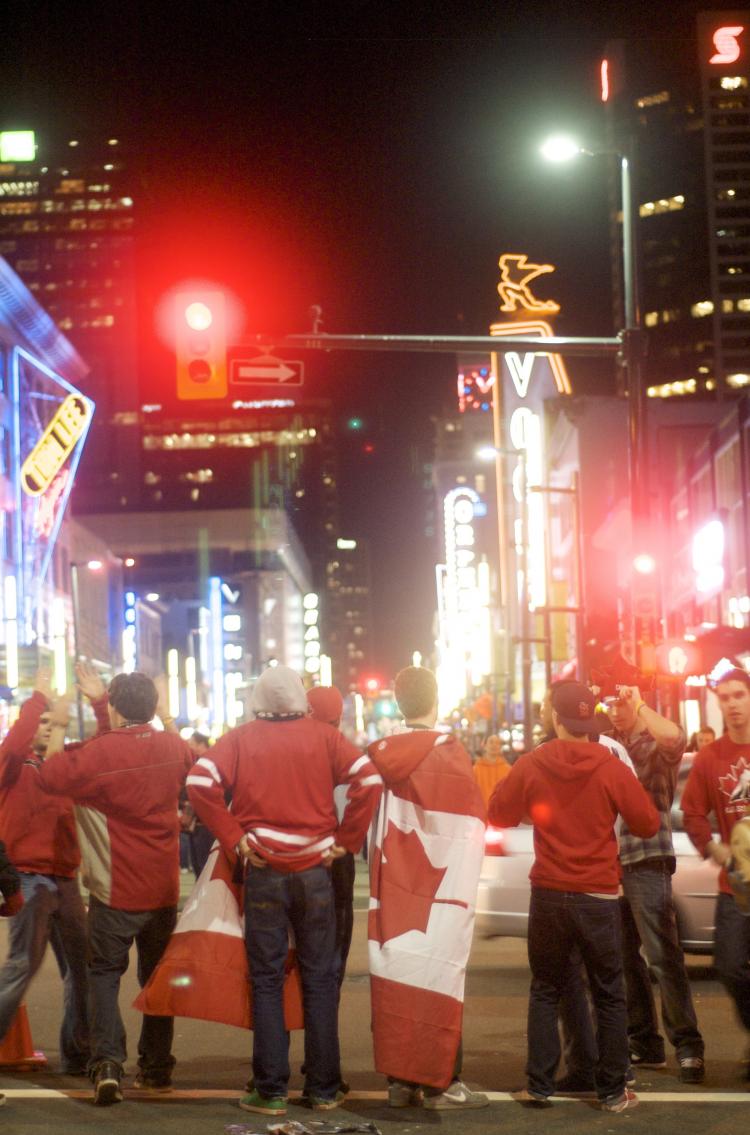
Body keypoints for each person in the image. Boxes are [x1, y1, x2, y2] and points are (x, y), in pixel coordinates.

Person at [187, 664, 382, 1117]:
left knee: (268, 979)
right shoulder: (324, 736)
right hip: (316, 869)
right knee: (319, 978)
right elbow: (368, 779)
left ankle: (271, 1089)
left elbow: (199, 782)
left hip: (264, 871)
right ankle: (325, 1087)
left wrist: (235, 837)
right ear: (300, 700)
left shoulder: (240, 739)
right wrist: (346, 842)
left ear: (258, 700)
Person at [16, 671, 193, 1106]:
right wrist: (165, 715)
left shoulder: (102, 752)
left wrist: (58, 724)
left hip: (117, 888)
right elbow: (194, 760)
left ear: (115, 707)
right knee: (155, 979)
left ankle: (107, 1064)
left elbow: (52, 775)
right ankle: (156, 1067)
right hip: (164, 887)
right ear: (152, 705)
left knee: (103, 976)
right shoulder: (172, 747)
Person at [489, 680, 659, 1112]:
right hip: (598, 895)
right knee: (608, 991)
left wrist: (534, 810)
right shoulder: (609, 766)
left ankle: (539, 1084)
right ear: (588, 720)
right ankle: (613, 1091)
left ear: (557, 718)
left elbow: (499, 812)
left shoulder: (533, 762)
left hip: (549, 891)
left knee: (546, 988)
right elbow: (647, 823)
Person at [367, 666, 488, 1111]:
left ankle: (400, 1082)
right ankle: (444, 1080)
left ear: (399, 703)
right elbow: (471, 821)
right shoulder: (451, 755)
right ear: (435, 700)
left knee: (397, 972)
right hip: (442, 887)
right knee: (442, 970)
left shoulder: (379, 756)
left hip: (395, 883)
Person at [0, 664, 108, 1076]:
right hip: (27, 875)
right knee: (20, 968)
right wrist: (39, 698)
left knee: (80, 970)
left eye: (52, 723)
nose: (47, 728)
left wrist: (98, 702)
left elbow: (105, 747)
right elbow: (11, 748)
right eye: (41, 723)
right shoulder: (13, 763)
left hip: (65, 879)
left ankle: (78, 1054)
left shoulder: (69, 759)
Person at [607, 682, 705, 1082]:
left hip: (647, 857)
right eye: (608, 703)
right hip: (611, 861)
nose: (614, 710)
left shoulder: (653, 741)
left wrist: (639, 702)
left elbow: (676, 738)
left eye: (619, 702)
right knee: (626, 959)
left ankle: (688, 1045)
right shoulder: (604, 743)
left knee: (663, 956)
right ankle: (644, 1040)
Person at [681, 668, 750, 1072]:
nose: (733, 704)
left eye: (739, 695)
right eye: (725, 698)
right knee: (728, 965)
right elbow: (692, 812)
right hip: (736, 886)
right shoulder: (711, 757)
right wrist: (713, 847)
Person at [306, 686, 356, 991]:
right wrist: (349, 839)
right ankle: (327, 1004)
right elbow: (369, 787)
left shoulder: (291, 747)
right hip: (338, 853)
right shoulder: (345, 751)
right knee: (336, 940)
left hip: (295, 853)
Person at [180, 732, 215, 877]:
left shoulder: (210, 765)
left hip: (207, 826)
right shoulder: (199, 764)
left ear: (201, 745)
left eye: (192, 744)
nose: (190, 748)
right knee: (199, 867)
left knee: (204, 868)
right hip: (197, 825)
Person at [473, 734, 511, 808]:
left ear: (500, 747)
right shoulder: (475, 769)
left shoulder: (508, 770)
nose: (494, 745)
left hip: (501, 812)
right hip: (481, 813)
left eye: (497, 743)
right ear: (484, 746)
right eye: (491, 742)